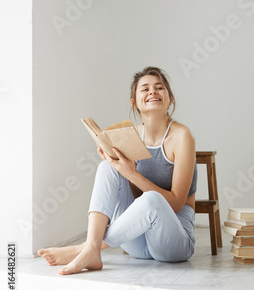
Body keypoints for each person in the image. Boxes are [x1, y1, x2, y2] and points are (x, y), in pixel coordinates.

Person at [38, 66, 197, 275]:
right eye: (145, 89)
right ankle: (92, 247)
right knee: (107, 167)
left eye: (160, 88)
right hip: (137, 243)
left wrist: (132, 173)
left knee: (151, 199)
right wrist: (117, 166)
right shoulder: (128, 136)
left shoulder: (182, 136)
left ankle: (86, 248)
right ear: (134, 102)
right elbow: (127, 194)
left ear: (170, 98)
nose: (153, 92)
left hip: (173, 242)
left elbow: (176, 204)